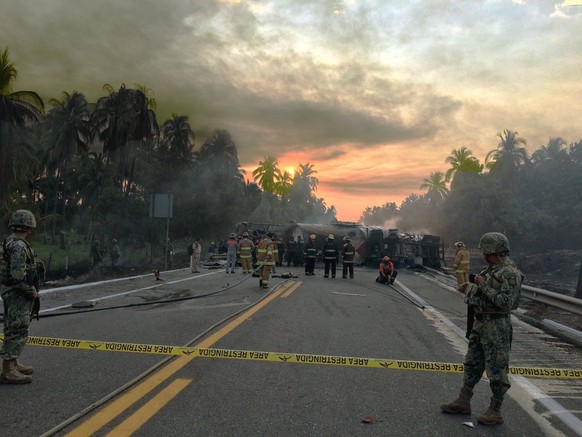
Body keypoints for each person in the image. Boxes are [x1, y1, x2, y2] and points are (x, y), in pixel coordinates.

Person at [441, 232, 523, 426]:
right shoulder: (490, 270)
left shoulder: (510, 273)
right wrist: (471, 289)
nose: (485, 255)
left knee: (497, 370)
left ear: (496, 251)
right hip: (481, 323)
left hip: (497, 326)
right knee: (472, 363)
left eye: (487, 252)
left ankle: (495, 410)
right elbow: (482, 293)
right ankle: (463, 401)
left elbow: (506, 302)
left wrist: (482, 286)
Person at [0, 209, 44, 384]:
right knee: (18, 327)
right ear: (29, 226)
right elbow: (18, 275)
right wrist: (31, 291)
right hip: (17, 291)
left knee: (14, 325)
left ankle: (14, 362)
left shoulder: (10, 241)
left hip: (12, 290)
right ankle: (8, 369)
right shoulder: (18, 245)